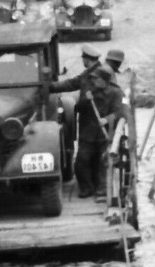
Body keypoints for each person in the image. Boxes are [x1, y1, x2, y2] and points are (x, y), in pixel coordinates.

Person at [46, 45, 130, 200]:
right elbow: (72, 85)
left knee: (101, 161)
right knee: (83, 161)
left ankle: (101, 188)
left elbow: (122, 110)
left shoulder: (112, 86)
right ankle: (87, 187)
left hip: (104, 130)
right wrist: (50, 87)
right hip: (88, 126)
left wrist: (107, 119)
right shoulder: (91, 75)